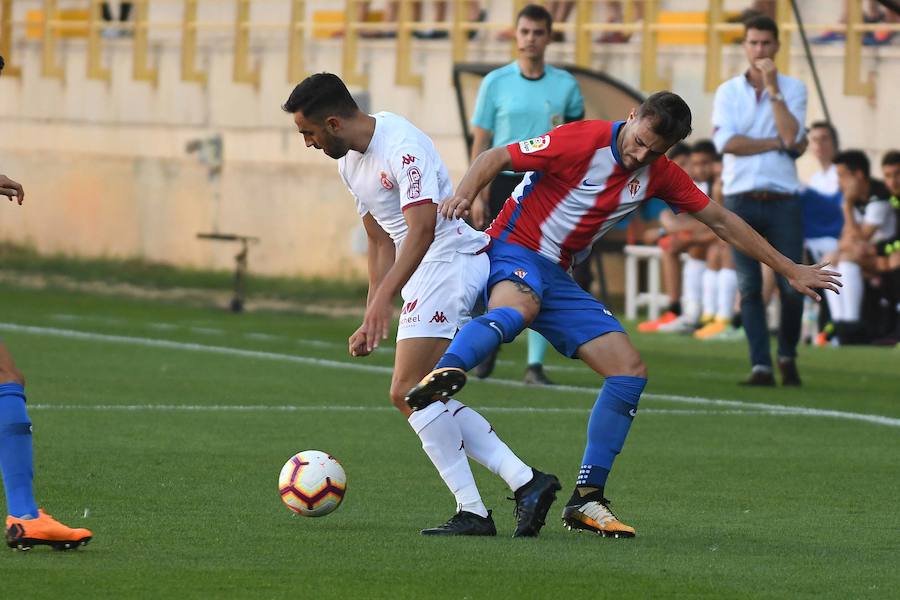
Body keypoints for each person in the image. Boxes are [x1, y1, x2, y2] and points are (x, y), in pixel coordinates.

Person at [405, 91, 839, 538]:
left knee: (628, 371)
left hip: (557, 274)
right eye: (640, 141)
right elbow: (495, 155)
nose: (641, 155)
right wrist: (463, 194)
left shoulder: (660, 173)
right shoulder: (581, 140)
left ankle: (586, 499)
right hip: (513, 247)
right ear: (632, 117)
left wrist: (789, 269)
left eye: (656, 150)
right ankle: (446, 371)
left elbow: (722, 221)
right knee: (518, 306)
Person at [282, 73, 560, 537]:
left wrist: (386, 298)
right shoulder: (349, 162)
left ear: (332, 122)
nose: (307, 142)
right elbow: (378, 240)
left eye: (307, 133)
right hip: (422, 272)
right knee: (420, 394)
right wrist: (374, 307)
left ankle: (480, 507)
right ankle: (525, 482)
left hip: (448, 262)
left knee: (407, 390)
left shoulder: (401, 144)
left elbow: (423, 228)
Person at [469, 3, 584, 385]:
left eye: (538, 33)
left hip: (546, 187)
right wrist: (477, 190)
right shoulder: (496, 82)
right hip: (503, 180)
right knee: (489, 265)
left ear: (549, 37)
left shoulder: (565, 85)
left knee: (544, 267)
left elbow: (577, 142)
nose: (531, 39)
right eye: (525, 32)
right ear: (515, 36)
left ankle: (534, 365)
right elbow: (482, 141)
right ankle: (487, 345)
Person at [712, 15, 809, 386]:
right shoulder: (727, 92)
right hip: (741, 197)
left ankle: (786, 353)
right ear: (744, 46)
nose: (759, 51)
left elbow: (790, 134)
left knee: (793, 284)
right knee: (750, 286)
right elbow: (727, 144)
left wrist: (773, 90)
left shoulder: (793, 88)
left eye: (766, 44)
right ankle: (760, 365)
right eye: (753, 43)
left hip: (783, 197)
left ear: (777, 47)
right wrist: (777, 145)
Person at [826, 150, 897, 344]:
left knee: (847, 259)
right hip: (865, 255)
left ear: (858, 175)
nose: (839, 182)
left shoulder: (880, 197)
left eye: (842, 176)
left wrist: (847, 206)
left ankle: (852, 324)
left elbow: (862, 236)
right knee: (827, 261)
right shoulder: (857, 198)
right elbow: (846, 238)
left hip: (883, 257)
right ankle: (839, 323)